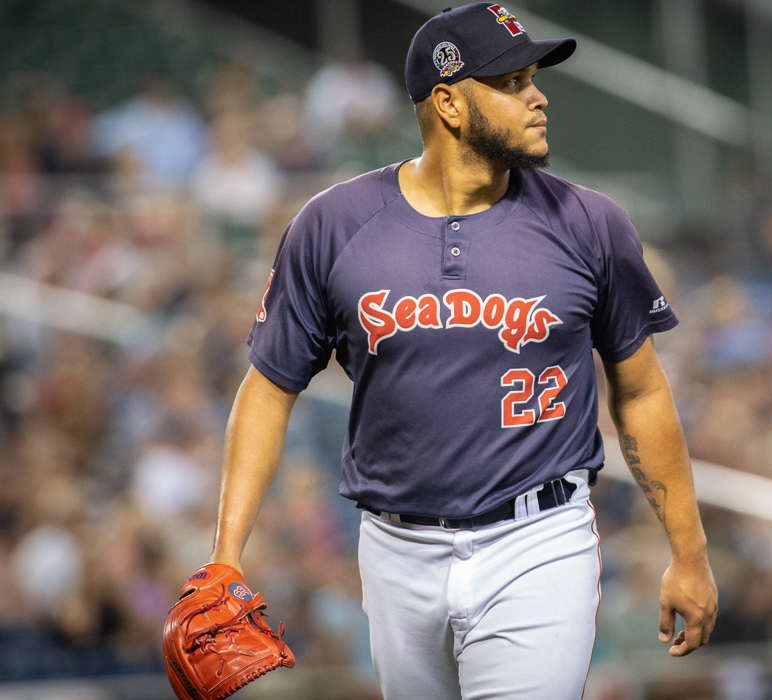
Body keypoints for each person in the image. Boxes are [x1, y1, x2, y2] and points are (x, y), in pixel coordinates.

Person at [207, 4, 717, 698]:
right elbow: (268, 388)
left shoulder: (590, 223)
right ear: (448, 103)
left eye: (533, 77)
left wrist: (689, 553)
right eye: (510, 82)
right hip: (394, 548)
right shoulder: (334, 225)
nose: (537, 96)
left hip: (538, 541)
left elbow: (642, 390)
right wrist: (225, 556)